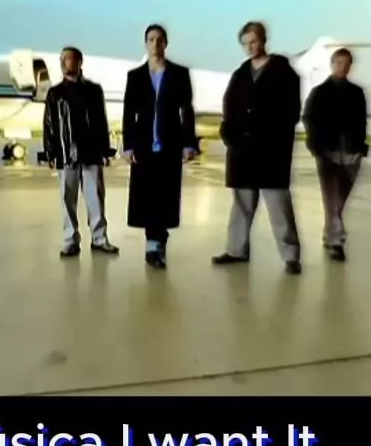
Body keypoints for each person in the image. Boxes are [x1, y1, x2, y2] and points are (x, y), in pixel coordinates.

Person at [212, 21, 302, 274]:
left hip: (272, 151)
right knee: (242, 204)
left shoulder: (284, 73)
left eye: (253, 41)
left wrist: (271, 135)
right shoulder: (239, 75)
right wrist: (230, 135)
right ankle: (236, 250)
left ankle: (291, 256)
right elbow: (229, 107)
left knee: (278, 205)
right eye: (245, 44)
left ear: (263, 40)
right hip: (242, 150)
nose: (250, 47)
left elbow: (291, 111)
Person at [122, 24, 198, 269]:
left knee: (165, 195)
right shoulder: (135, 76)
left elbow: (186, 111)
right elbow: (128, 113)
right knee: (146, 195)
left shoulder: (179, 74)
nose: (155, 43)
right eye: (151, 39)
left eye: (159, 39)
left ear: (165, 43)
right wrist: (128, 146)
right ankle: (153, 245)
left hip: (170, 144)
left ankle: (158, 243)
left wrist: (189, 143)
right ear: (146, 43)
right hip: (143, 146)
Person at [43, 47, 119, 258]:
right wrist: (50, 152)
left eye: (68, 59)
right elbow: (49, 124)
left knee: (96, 199)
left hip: (91, 153)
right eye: (62, 59)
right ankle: (70, 241)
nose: (64, 62)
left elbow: (101, 121)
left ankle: (100, 239)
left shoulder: (94, 90)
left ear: (79, 62)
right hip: (66, 153)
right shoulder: (55, 93)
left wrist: (105, 150)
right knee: (68, 200)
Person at [303, 48, 368, 261]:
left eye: (347, 63)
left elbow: (361, 121)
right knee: (331, 199)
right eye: (339, 63)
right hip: (327, 152)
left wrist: (360, 147)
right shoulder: (320, 92)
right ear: (332, 64)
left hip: (351, 152)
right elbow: (308, 118)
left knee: (340, 200)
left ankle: (329, 232)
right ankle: (336, 241)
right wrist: (316, 144)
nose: (343, 67)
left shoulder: (357, 93)